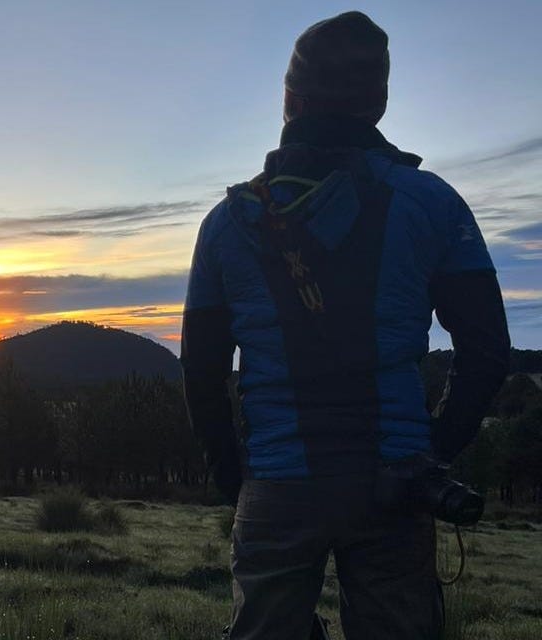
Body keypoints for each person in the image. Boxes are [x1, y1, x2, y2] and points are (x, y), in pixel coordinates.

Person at [180, 11, 510, 640]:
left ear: (290, 100)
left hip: (277, 482)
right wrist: (431, 452)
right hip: (395, 481)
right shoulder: (432, 201)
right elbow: (488, 350)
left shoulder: (226, 223)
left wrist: (236, 478)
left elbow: (200, 369)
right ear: (378, 104)